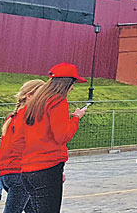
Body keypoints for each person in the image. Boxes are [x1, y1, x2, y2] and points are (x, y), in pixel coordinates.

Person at [19, 63, 89, 213]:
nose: (73, 88)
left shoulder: (35, 103)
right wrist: (76, 118)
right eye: (73, 83)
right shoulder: (58, 101)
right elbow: (62, 136)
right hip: (47, 166)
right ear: (67, 83)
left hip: (28, 168)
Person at [0, 79, 44, 213]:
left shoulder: (12, 117)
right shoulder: (28, 116)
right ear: (29, 96)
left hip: (6, 173)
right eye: (41, 95)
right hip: (19, 173)